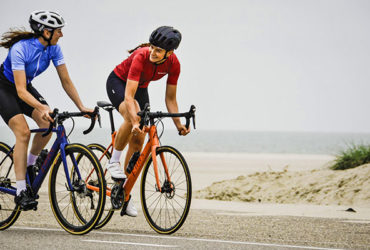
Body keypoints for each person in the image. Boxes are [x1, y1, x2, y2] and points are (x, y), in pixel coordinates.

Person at [0, 10, 93, 210]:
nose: (61, 34)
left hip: (25, 87)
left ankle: (30, 164)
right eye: (58, 30)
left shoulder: (54, 49)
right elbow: (20, 91)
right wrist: (42, 106)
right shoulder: (20, 49)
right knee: (23, 132)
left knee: (47, 122)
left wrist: (81, 106)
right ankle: (21, 191)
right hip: (5, 88)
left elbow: (66, 81)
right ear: (45, 31)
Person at [105, 26, 190, 216]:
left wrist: (179, 125)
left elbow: (170, 100)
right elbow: (129, 97)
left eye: (158, 50)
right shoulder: (141, 56)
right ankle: (113, 161)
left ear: (170, 53)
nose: (152, 52)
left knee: (139, 139)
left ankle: (124, 193)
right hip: (119, 82)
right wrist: (134, 119)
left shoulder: (174, 64)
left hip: (140, 88)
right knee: (131, 114)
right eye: (152, 47)